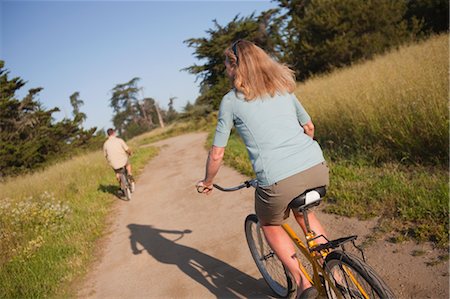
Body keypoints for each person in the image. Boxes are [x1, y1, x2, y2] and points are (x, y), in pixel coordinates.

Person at [196, 40, 329, 299]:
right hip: (316, 166)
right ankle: (335, 272)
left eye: (226, 64)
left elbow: (217, 153)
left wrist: (208, 181)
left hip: (278, 180)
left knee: (269, 224)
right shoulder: (282, 88)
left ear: (235, 66)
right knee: (305, 215)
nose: (225, 70)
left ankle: (303, 283)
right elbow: (309, 127)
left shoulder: (231, 101)